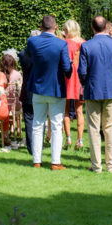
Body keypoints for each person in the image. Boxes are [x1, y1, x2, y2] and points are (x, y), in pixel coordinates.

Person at [79, 15, 112, 173]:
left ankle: (96, 165)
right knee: (110, 128)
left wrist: (87, 82)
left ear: (93, 28)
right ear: (106, 27)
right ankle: (111, 166)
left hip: (92, 90)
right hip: (111, 90)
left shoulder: (87, 46)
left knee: (93, 128)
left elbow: (82, 72)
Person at [26, 15, 73, 170]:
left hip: (38, 88)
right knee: (56, 126)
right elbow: (67, 68)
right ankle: (55, 162)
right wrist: (70, 68)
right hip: (55, 89)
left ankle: (37, 161)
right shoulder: (61, 44)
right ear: (56, 27)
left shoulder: (32, 41)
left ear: (41, 27)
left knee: (37, 125)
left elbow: (27, 58)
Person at [63, 19, 86, 150]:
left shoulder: (65, 44)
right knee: (79, 111)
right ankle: (80, 140)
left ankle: (68, 138)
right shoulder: (84, 43)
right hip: (81, 79)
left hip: (69, 78)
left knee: (66, 109)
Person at [0, 51, 23, 148]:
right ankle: (15, 130)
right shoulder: (17, 74)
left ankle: (3, 133)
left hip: (2, 106)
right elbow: (20, 91)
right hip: (15, 106)